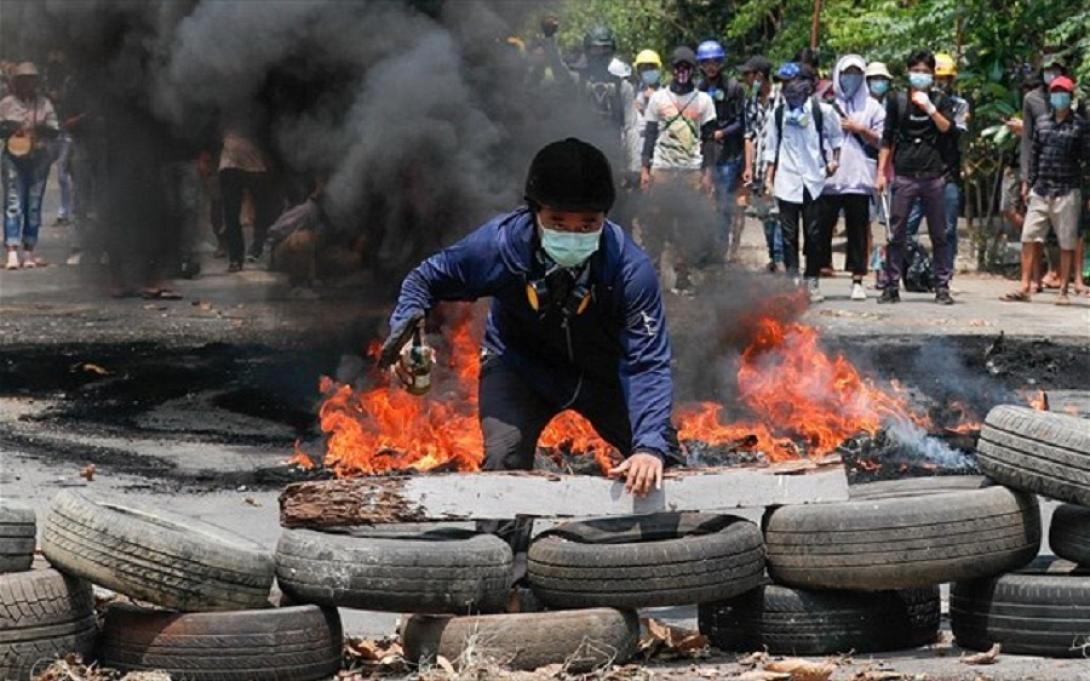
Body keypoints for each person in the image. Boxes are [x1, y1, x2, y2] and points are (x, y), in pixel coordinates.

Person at [379, 137, 679, 497]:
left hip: (604, 375)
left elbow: (647, 364)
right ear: (534, 212)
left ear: (605, 217)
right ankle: (506, 549)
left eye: (588, 224)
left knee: (664, 463)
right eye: (557, 221)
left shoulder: (630, 270)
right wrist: (408, 329)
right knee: (502, 471)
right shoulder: (497, 246)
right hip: (519, 368)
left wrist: (648, 446)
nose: (573, 234)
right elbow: (423, 279)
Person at [876, 50, 957, 305]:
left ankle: (942, 286)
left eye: (925, 71)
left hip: (934, 175)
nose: (920, 75)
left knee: (939, 234)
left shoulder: (941, 99)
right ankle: (891, 285)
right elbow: (887, 138)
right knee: (896, 233)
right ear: (908, 73)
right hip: (904, 175)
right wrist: (881, 172)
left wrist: (930, 108)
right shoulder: (896, 101)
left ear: (932, 75)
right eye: (916, 71)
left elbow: (947, 128)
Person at [1002, 76, 1090, 305]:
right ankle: (1024, 285)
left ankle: (1063, 290)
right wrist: (1028, 182)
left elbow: (1087, 159)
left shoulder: (1080, 126)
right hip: (1041, 188)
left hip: (1067, 189)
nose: (1058, 97)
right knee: (1029, 236)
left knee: (1067, 241)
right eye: (1055, 92)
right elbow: (1034, 154)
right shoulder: (1041, 123)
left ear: (1070, 97)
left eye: (1063, 93)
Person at [639, 47, 718, 294]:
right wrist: (645, 168)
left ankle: (683, 276)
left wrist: (708, 173)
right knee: (656, 223)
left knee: (687, 226)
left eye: (687, 68)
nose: (682, 72)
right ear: (672, 70)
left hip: (690, 172)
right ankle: (652, 274)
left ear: (693, 71)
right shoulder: (658, 99)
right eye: (678, 68)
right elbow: (650, 135)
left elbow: (709, 140)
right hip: (662, 170)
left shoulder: (704, 101)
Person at [763, 62, 843, 302]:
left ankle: (812, 281)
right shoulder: (777, 114)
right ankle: (792, 282)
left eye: (793, 83)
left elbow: (836, 137)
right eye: (785, 84)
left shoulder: (822, 111)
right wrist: (768, 178)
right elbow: (771, 148)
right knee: (788, 235)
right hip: (787, 180)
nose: (789, 88)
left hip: (813, 180)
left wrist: (834, 162)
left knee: (814, 234)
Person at [820, 54, 885, 301]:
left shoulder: (872, 107)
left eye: (857, 73)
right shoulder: (826, 105)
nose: (852, 78)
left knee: (858, 230)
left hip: (859, 177)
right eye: (847, 73)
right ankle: (816, 272)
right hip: (829, 178)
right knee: (821, 229)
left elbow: (882, 141)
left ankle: (857, 278)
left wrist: (861, 130)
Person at [903, 53, 968, 277]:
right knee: (905, 227)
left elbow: (953, 131)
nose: (941, 84)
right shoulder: (909, 102)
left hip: (946, 174)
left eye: (945, 79)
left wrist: (933, 109)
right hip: (916, 172)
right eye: (937, 78)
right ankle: (905, 269)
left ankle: (944, 273)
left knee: (946, 229)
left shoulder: (958, 105)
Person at [0, 62, 59, 270]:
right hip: (13, 158)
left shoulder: (44, 104)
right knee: (13, 203)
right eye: (23, 80)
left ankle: (29, 250)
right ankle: (12, 250)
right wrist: (11, 128)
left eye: (31, 81)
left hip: (38, 157)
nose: (27, 85)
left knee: (33, 205)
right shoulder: (6, 104)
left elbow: (55, 129)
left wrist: (39, 129)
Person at [696, 40, 747, 261]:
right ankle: (703, 249)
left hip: (728, 154)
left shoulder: (734, 87)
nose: (711, 67)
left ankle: (721, 249)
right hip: (704, 154)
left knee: (724, 204)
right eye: (706, 62)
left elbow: (740, 122)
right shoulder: (698, 89)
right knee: (702, 200)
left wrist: (721, 133)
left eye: (715, 62)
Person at [741, 55, 783, 271]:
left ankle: (781, 259)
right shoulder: (751, 102)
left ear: (760, 75)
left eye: (748, 74)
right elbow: (749, 135)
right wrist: (748, 167)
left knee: (779, 214)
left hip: (779, 166)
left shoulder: (783, 99)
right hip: (758, 166)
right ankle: (774, 258)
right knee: (765, 215)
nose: (746, 79)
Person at [218, 124, 278, 272]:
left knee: (259, 209)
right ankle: (240, 256)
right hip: (238, 159)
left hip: (248, 157)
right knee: (235, 213)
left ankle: (245, 254)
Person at [624, 49, 662, 188]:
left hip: (658, 153)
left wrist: (652, 103)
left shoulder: (666, 94)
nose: (647, 71)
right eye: (643, 68)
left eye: (651, 67)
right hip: (637, 153)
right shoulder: (631, 91)